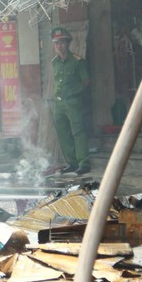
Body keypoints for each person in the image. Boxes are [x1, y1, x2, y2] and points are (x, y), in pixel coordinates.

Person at [51, 27, 91, 175]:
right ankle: (72, 163)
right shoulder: (54, 62)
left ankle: (84, 163)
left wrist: (74, 92)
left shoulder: (77, 61)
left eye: (62, 43)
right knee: (63, 133)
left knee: (78, 132)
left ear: (68, 44)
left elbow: (86, 81)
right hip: (59, 104)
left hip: (73, 102)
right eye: (56, 43)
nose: (59, 46)